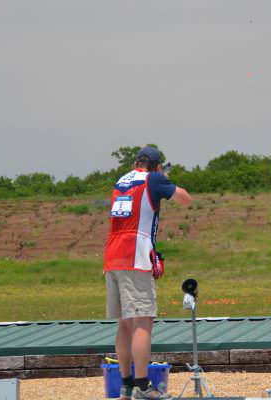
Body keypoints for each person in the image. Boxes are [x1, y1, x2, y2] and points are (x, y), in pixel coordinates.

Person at [104, 146, 192, 400]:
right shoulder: (153, 179)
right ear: (155, 166)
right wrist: (164, 180)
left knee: (124, 324)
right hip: (136, 255)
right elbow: (185, 198)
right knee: (143, 322)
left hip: (112, 255)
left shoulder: (121, 180)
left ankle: (125, 386)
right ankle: (142, 386)